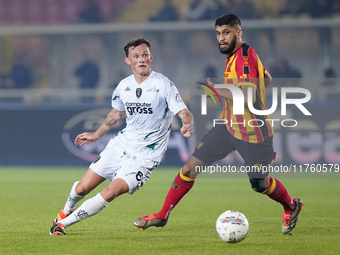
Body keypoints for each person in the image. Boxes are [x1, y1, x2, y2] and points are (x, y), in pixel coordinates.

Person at [134, 14, 303, 235]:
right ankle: (162, 215)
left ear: (238, 32)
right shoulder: (238, 55)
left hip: (254, 133)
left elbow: (249, 96)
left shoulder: (243, 57)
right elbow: (267, 78)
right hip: (228, 126)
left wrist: (217, 89)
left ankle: (291, 205)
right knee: (189, 168)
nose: (221, 38)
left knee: (260, 184)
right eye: (218, 33)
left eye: (226, 32)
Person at [50, 38, 195, 235]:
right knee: (82, 188)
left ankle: (61, 226)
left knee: (111, 191)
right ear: (128, 61)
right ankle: (65, 211)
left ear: (151, 57)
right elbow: (117, 113)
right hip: (121, 145)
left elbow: (183, 111)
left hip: (145, 157)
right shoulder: (123, 86)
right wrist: (96, 135)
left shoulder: (163, 84)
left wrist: (187, 123)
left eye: (145, 55)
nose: (141, 59)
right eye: (136, 56)